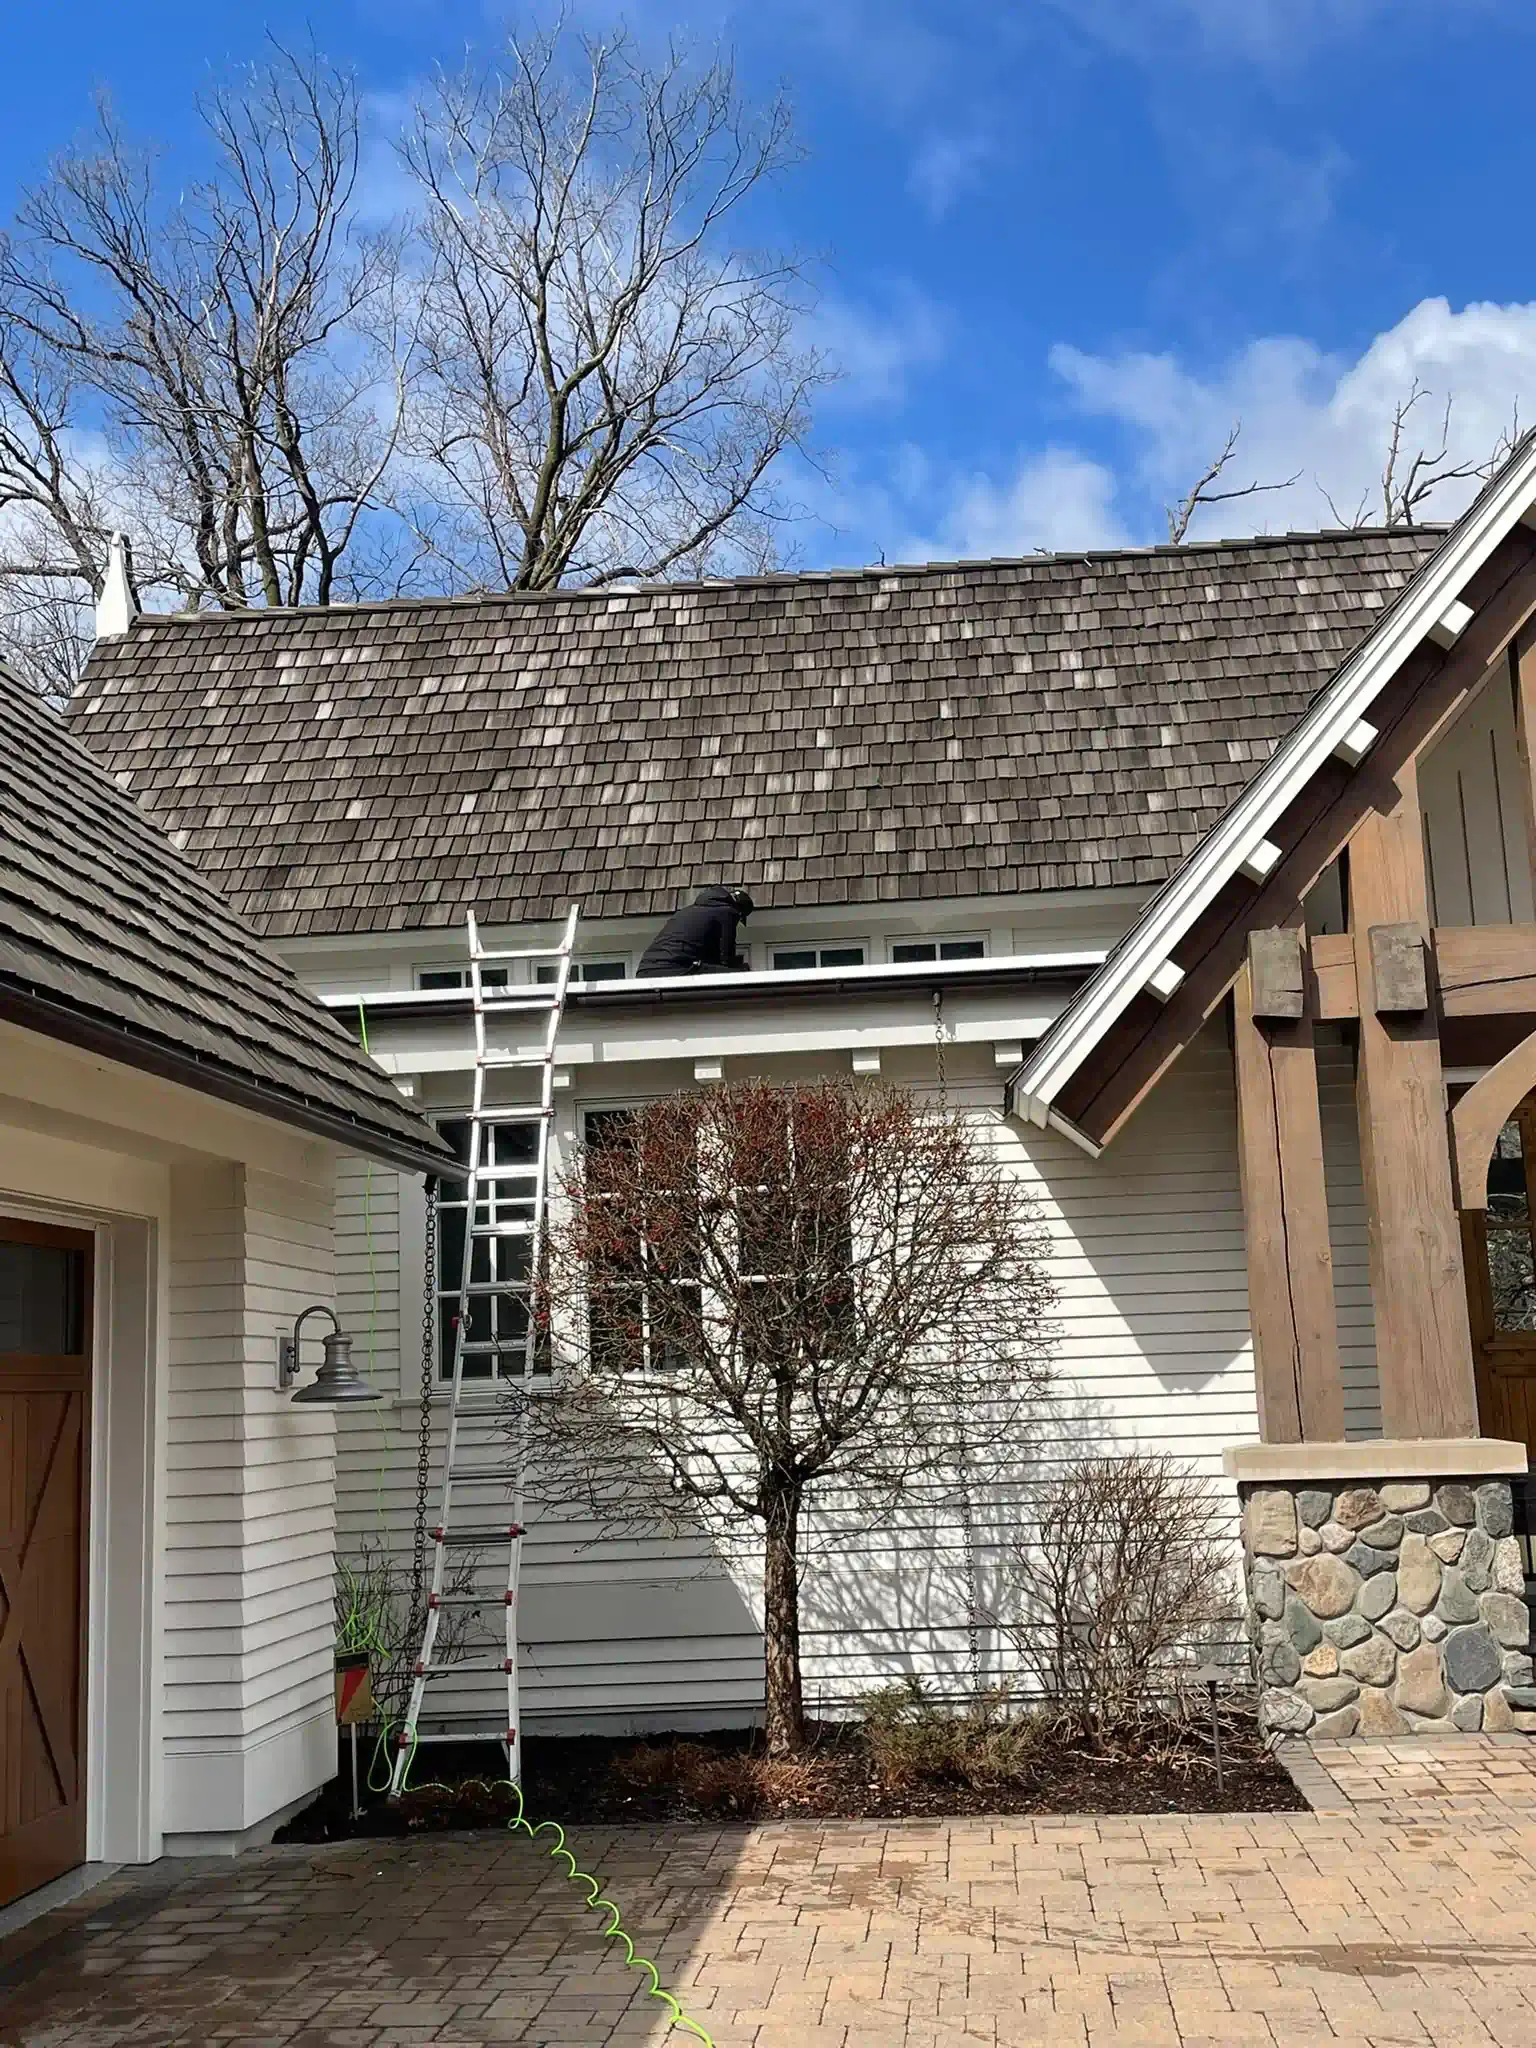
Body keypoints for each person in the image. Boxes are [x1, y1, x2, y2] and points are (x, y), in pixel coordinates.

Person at [637, 886, 755, 978]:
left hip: (645, 970)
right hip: (672, 968)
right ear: (739, 911)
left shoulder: (689, 911)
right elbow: (726, 958)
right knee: (740, 974)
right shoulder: (728, 912)